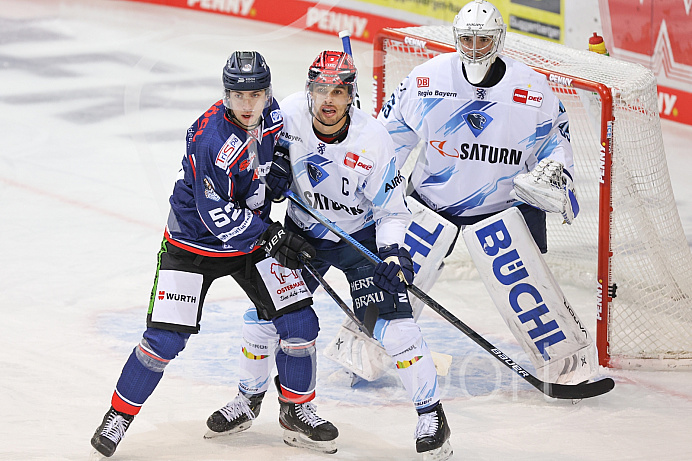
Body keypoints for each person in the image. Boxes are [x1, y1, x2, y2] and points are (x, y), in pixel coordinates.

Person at [90, 51, 337, 458]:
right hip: (194, 244)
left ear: (267, 93)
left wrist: (275, 167)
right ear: (226, 95)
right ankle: (118, 416)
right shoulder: (210, 139)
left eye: (256, 95)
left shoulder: (272, 115)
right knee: (164, 341)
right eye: (239, 96)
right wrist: (271, 237)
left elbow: (273, 150)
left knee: (300, 320)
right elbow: (216, 214)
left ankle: (297, 410)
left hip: (250, 241)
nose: (247, 105)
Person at [239, 50, 452, 460]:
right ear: (309, 90)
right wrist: (273, 166)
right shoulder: (286, 115)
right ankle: (248, 399)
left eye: (338, 90)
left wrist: (391, 254)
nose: (328, 99)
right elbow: (252, 156)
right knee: (263, 316)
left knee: (396, 329)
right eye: (321, 89)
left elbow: (390, 209)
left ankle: (432, 416)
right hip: (301, 237)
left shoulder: (373, 140)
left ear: (351, 94)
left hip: (360, 240)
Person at [376, 0, 596, 385]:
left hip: (504, 208)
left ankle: (565, 365)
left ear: (499, 40)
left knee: (531, 293)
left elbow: (556, 143)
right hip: (432, 200)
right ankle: (363, 346)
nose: (475, 48)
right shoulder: (427, 79)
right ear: (456, 39)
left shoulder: (532, 88)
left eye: (483, 40)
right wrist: (377, 189)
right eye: (467, 39)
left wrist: (556, 174)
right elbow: (389, 137)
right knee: (394, 276)